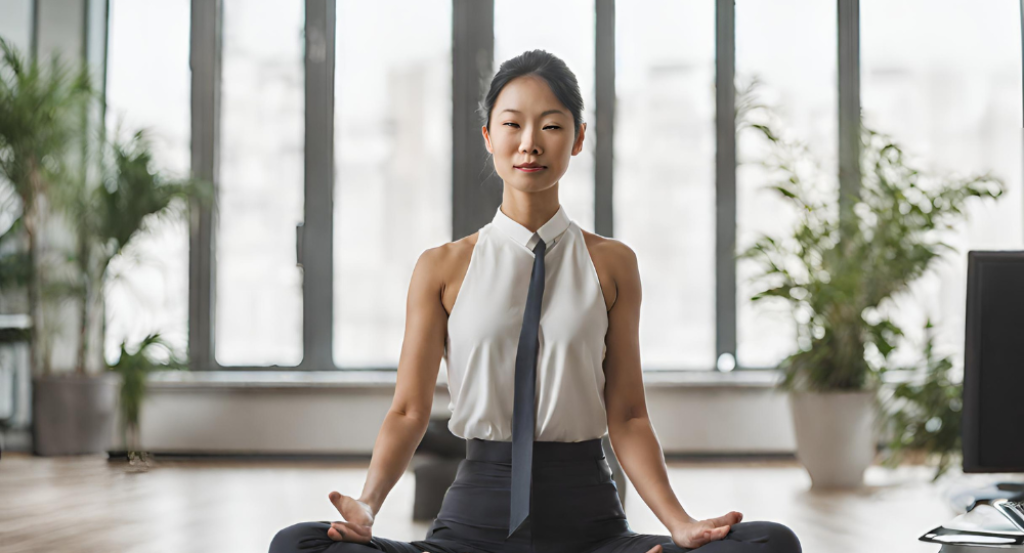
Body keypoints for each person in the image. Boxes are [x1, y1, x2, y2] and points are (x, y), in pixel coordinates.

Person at [269, 49, 802, 553]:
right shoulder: (443, 266)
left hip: (591, 527)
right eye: (512, 124)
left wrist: (679, 523)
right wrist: (367, 504)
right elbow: (409, 410)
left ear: (577, 139)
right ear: (488, 136)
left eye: (550, 125)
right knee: (299, 543)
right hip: (470, 530)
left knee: (771, 542)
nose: (530, 143)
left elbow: (630, 415)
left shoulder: (613, 264)